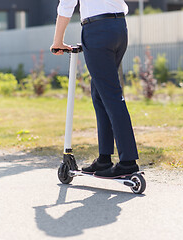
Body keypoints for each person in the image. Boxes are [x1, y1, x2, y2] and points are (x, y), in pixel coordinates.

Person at [51, 0, 139, 178]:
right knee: (100, 93)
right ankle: (104, 159)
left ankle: (128, 161)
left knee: (112, 96)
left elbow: (67, 5)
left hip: (97, 30)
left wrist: (58, 41)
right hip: (119, 27)